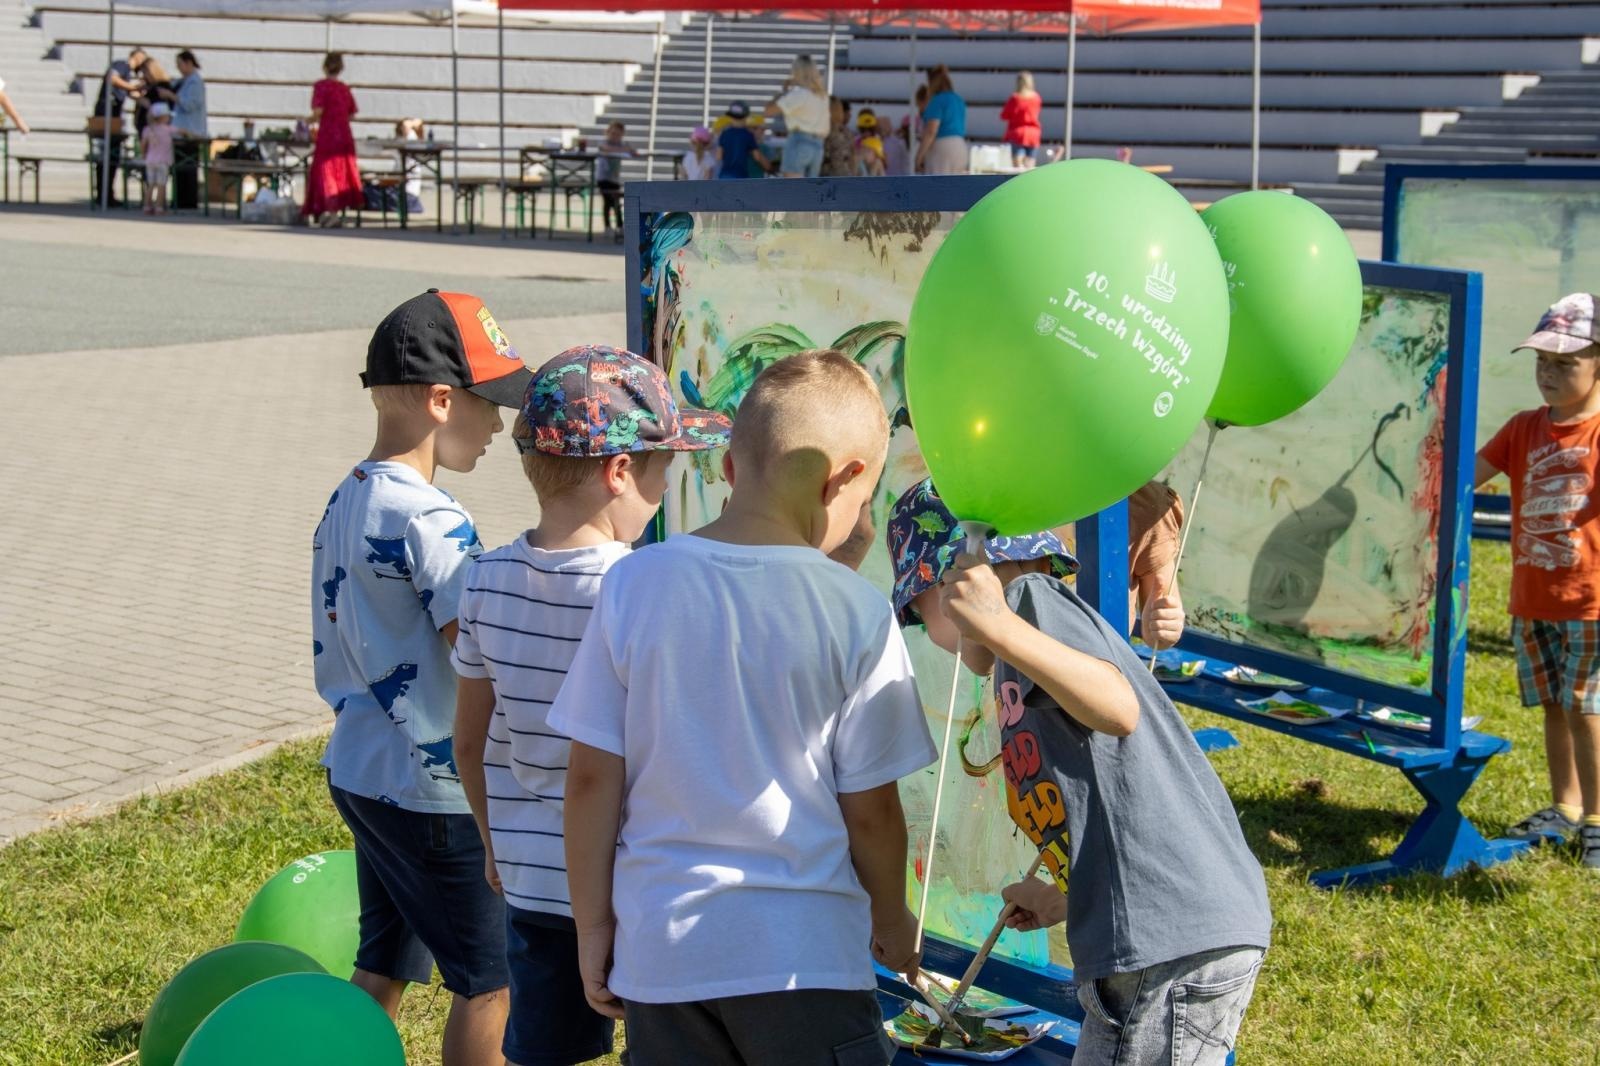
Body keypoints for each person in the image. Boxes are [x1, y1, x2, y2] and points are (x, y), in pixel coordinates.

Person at [553, 351, 936, 1065]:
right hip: (807, 961)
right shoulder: (855, 609)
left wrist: (593, 925)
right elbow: (873, 811)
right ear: (845, 479)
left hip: (663, 958)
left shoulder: (635, 584)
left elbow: (589, 779)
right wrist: (890, 914)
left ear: (729, 467)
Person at [887, 478, 1272, 1066]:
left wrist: (997, 623)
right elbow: (1113, 793)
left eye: (918, 611)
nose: (921, 627)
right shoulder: (1018, 652)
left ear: (958, 579)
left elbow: (1118, 709)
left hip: (1166, 946)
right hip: (1160, 931)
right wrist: (1063, 897)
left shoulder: (1030, 601)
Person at [453, 345, 730, 1066]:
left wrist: (492, 843)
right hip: (632, 885)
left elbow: (468, 741)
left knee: (545, 1051)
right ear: (618, 473)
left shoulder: (484, 580)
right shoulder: (641, 591)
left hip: (531, 882)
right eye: (663, 468)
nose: (666, 488)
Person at [312, 289, 535, 1066]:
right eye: (491, 404)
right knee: (489, 981)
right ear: (442, 401)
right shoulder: (433, 517)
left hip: (362, 771)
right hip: (433, 790)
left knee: (384, 960)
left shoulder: (347, 497)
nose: (502, 425)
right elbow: (477, 650)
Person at [1476, 293, 1600, 870]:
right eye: (1541, 362)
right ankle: (1565, 806)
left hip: (1590, 603)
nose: (1549, 374)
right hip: (1532, 599)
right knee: (1554, 706)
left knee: (1586, 709)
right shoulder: (1523, 428)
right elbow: (1463, 478)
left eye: (1566, 364)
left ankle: (1597, 821)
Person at [303, 53, 364, 228]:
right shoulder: (344, 88)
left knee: (325, 172)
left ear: (324, 67)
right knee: (341, 173)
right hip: (344, 136)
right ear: (341, 68)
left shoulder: (321, 86)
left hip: (328, 135)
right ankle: (331, 212)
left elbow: (318, 112)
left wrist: (305, 122)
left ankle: (329, 212)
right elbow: (352, 113)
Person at [91, 46, 147, 207]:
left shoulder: (127, 75)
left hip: (113, 117)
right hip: (106, 115)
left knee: (112, 158)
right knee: (105, 157)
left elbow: (132, 93)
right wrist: (133, 87)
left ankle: (107, 194)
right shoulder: (122, 65)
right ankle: (103, 194)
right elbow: (113, 78)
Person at [764, 55, 830, 178]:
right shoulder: (822, 96)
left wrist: (783, 92)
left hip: (799, 141)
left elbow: (768, 111)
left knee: (793, 190)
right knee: (811, 192)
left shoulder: (798, 94)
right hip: (818, 145)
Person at [170, 50, 207, 210]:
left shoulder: (195, 83)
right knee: (179, 167)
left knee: (189, 167)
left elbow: (190, 105)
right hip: (180, 130)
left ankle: (188, 201)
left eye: (180, 64)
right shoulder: (183, 81)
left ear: (189, 63)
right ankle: (179, 198)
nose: (178, 68)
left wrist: (173, 97)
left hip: (191, 131)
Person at [916, 65, 967, 175]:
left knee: (939, 187)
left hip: (942, 147)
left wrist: (919, 156)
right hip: (960, 145)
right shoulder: (958, 99)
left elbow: (931, 130)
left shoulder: (937, 100)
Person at [595, 120, 637, 243]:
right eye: (613, 133)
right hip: (603, 177)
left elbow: (632, 151)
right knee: (608, 201)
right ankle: (608, 226)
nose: (615, 136)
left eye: (618, 134)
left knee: (616, 202)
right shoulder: (603, 142)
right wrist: (623, 149)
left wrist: (625, 149)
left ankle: (620, 226)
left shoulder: (622, 144)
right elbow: (606, 148)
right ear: (608, 132)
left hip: (614, 178)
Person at [1000, 71, 1042, 169]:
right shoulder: (1036, 98)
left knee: (1018, 167)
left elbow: (1004, 115)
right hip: (1034, 134)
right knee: (1030, 165)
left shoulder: (1015, 98)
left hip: (1018, 133)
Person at [715, 101, 768, 179]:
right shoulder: (748, 135)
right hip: (741, 175)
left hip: (725, 175)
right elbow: (757, 157)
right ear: (746, 117)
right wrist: (769, 168)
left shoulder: (725, 133)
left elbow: (719, 156)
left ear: (730, 117)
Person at [139, 102, 174, 215]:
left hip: (150, 160)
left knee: (151, 184)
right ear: (164, 117)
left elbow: (143, 144)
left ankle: (147, 206)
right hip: (163, 161)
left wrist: (143, 154)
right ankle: (159, 207)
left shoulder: (148, 129)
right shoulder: (167, 129)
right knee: (161, 185)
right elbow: (182, 131)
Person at [821, 95, 854, 177]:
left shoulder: (824, 131)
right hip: (845, 175)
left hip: (827, 177)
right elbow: (852, 156)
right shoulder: (847, 132)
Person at [853, 109, 886, 177]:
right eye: (863, 129)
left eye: (870, 128)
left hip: (875, 173)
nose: (866, 132)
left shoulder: (878, 140)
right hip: (861, 173)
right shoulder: (856, 140)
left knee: (877, 162)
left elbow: (885, 163)